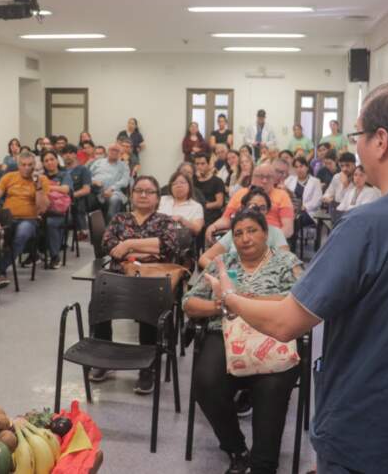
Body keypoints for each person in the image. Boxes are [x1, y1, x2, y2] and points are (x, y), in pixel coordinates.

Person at [205, 83, 388, 473]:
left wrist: (229, 298)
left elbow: (286, 323)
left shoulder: (366, 225)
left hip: (363, 424)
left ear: (380, 141)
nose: (356, 148)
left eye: (358, 135)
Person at [184, 208, 303, 474]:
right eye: (238, 233)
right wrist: (220, 306)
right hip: (226, 333)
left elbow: (301, 298)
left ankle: (263, 465)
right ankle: (236, 449)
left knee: (272, 388)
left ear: (266, 233)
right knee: (206, 382)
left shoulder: (286, 261)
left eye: (252, 231)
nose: (245, 238)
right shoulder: (222, 263)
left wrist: (249, 302)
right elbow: (189, 303)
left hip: (272, 335)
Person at [96, 176, 180, 394]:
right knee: (99, 298)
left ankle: (147, 366)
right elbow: (108, 244)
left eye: (149, 191)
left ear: (157, 197)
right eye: (139, 190)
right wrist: (145, 250)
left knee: (149, 301)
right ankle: (104, 357)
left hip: (151, 278)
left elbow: (168, 245)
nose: (143, 195)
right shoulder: (119, 218)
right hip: (120, 276)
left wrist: (128, 244)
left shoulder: (165, 220)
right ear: (131, 195)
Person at [0, 151, 50, 286]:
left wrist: (38, 186)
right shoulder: (9, 177)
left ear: (34, 166)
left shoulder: (42, 180)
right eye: (23, 165)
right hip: (7, 218)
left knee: (22, 234)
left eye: (30, 165)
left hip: (29, 219)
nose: (26, 168)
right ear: (18, 165)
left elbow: (43, 207)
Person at [199, 186, 289, 269]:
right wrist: (223, 273)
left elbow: (286, 262)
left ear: (267, 211)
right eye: (253, 207)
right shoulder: (236, 232)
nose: (257, 212)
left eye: (262, 208)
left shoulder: (275, 233)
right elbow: (204, 258)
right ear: (243, 208)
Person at [206, 163, 294, 243]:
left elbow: (288, 229)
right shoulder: (240, 193)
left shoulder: (282, 195)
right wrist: (213, 226)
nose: (264, 181)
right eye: (260, 176)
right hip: (242, 238)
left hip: (271, 239)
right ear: (253, 178)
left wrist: (268, 239)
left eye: (269, 177)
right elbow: (226, 219)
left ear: (274, 179)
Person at [41, 149, 73, 269]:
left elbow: (65, 189)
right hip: (44, 210)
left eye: (52, 159)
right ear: (43, 163)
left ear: (57, 160)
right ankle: (35, 254)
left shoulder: (64, 175)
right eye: (46, 160)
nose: (49, 162)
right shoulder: (41, 176)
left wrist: (46, 187)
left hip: (61, 212)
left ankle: (55, 257)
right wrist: (55, 187)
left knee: (50, 223)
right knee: (30, 222)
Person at [90, 143, 129, 221]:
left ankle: (110, 225)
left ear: (120, 153)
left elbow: (125, 181)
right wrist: (94, 181)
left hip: (113, 192)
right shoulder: (98, 162)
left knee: (115, 199)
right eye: (112, 150)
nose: (114, 152)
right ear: (107, 151)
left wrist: (111, 188)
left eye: (117, 150)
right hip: (95, 190)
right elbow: (88, 176)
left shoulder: (124, 166)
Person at [158, 171, 204, 236]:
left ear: (189, 186)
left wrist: (182, 220)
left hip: (179, 238)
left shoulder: (196, 206)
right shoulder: (162, 200)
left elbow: (197, 229)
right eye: (174, 183)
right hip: (155, 234)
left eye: (182, 182)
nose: (178, 186)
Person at [62, 144, 92, 239]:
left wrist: (71, 196)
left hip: (76, 198)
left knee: (78, 201)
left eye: (70, 153)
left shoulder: (83, 170)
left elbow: (86, 189)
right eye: (65, 153)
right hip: (60, 198)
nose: (67, 155)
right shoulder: (61, 170)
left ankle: (82, 230)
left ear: (75, 155)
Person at [284, 157, 323, 229]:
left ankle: (291, 234)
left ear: (307, 167)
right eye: (296, 167)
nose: (299, 169)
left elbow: (318, 201)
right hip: (292, 210)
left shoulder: (315, 181)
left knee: (296, 219)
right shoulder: (290, 179)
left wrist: (304, 207)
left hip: (308, 212)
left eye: (301, 166)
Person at [192, 153, 226, 232]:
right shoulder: (192, 180)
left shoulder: (217, 181)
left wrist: (201, 207)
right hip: (193, 213)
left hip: (210, 214)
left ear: (208, 165)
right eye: (197, 164)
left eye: (202, 164)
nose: (199, 166)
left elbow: (219, 203)